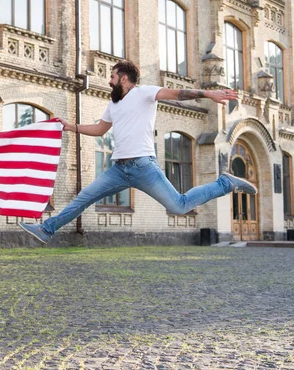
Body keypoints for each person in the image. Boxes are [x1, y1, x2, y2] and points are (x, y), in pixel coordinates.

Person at [19, 60, 256, 244]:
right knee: (84, 198)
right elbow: (101, 129)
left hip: (143, 166)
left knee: (179, 206)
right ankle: (46, 230)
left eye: (112, 76)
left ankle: (225, 183)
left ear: (123, 77)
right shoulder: (113, 104)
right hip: (118, 169)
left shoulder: (144, 93)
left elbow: (177, 94)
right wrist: (71, 126)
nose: (109, 81)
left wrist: (208, 94)